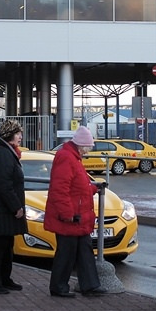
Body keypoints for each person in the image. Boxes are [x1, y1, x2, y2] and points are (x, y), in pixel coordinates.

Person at [44, 126, 105, 298]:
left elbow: (78, 186)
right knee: (67, 253)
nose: (88, 151)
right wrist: (67, 214)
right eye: (88, 147)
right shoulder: (67, 158)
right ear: (82, 145)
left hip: (78, 217)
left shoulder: (73, 157)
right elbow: (59, 189)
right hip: (71, 217)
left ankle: (90, 285)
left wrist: (93, 188)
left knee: (84, 251)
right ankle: (59, 287)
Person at [0, 119, 27, 294]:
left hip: (3, 210)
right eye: (18, 134)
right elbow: (4, 184)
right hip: (0, 211)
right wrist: (16, 206)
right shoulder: (2, 153)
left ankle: (4, 278)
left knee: (6, 246)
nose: (20, 137)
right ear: (9, 135)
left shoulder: (6, 151)